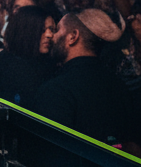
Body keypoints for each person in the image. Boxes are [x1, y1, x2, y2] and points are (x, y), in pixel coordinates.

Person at [32, 9, 136, 150]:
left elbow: (51, 152)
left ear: (73, 36)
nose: (53, 36)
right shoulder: (119, 86)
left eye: (57, 30)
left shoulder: (57, 89)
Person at [0, 5, 56, 107]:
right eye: (42, 30)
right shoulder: (3, 63)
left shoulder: (52, 66)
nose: (49, 35)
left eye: (52, 29)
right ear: (26, 30)